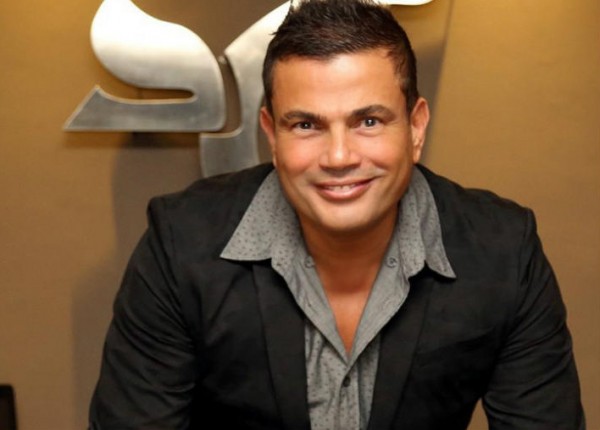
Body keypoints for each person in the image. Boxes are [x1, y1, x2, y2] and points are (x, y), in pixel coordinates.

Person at [89, 0, 584, 429]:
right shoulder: (181, 246)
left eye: (368, 120)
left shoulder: (503, 252)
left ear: (416, 127)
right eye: (306, 125)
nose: (339, 156)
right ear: (272, 134)